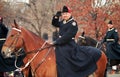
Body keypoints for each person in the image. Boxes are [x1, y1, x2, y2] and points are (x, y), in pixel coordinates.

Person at [51, 6, 101, 77]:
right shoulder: (63, 22)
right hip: (61, 43)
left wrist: (56, 42)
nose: (65, 15)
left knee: (63, 54)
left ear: (70, 13)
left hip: (69, 44)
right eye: (63, 14)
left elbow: (67, 36)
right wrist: (56, 16)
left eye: (66, 13)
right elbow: (54, 23)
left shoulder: (73, 23)